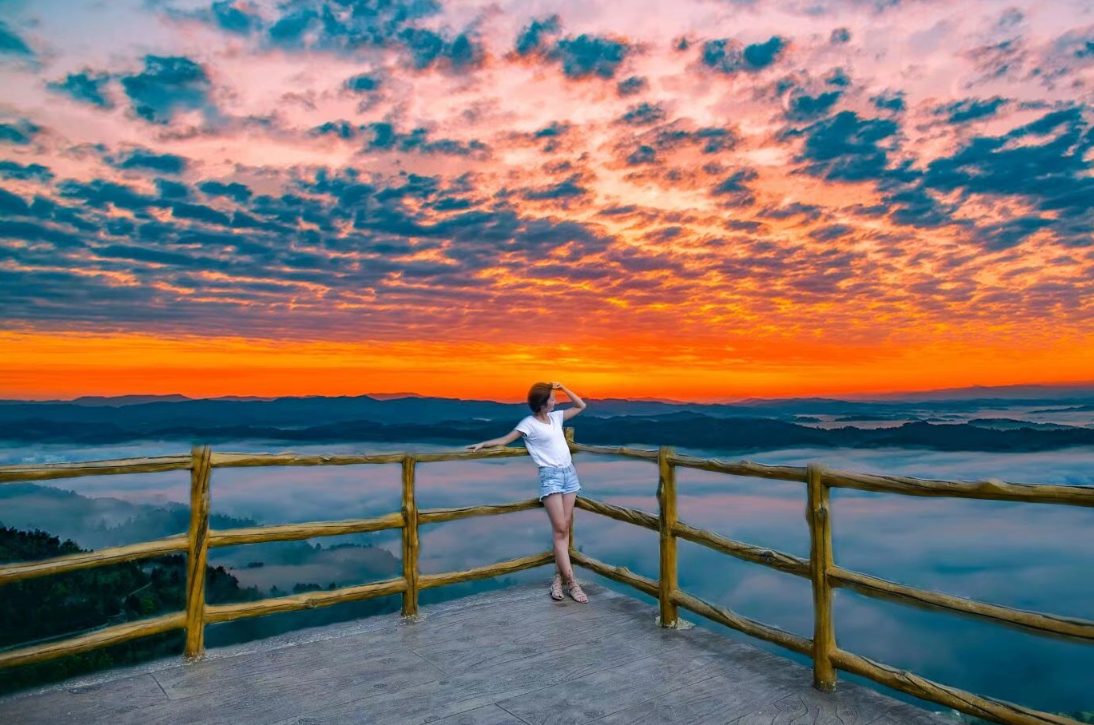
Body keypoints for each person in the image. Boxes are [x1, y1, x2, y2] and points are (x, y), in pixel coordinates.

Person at [466, 381, 589, 603]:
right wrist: (483, 444)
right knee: (560, 528)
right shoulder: (529, 424)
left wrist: (563, 388)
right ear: (542, 404)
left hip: (569, 474)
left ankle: (558, 580)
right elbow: (505, 440)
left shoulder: (556, 418)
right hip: (550, 477)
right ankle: (572, 583)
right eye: (552, 398)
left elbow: (581, 406)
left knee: (564, 529)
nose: (555, 401)